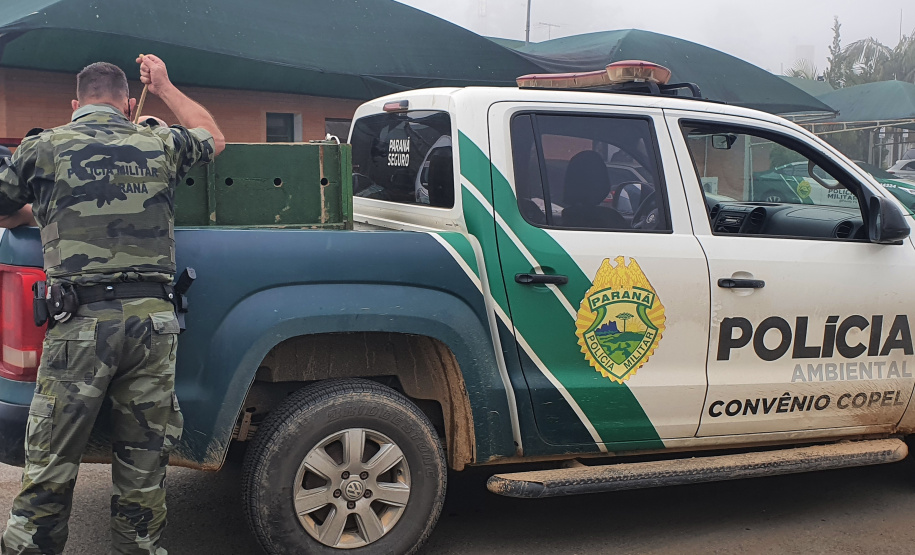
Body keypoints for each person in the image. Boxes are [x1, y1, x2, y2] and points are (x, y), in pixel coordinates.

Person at [0, 54, 225, 554]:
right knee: (143, 472)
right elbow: (213, 136)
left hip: (79, 325)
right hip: (153, 328)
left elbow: (5, 204)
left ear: (76, 105)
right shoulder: (157, 140)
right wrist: (164, 86)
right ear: (127, 104)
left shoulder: (45, 147)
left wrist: (38, 209)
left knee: (50, 469)